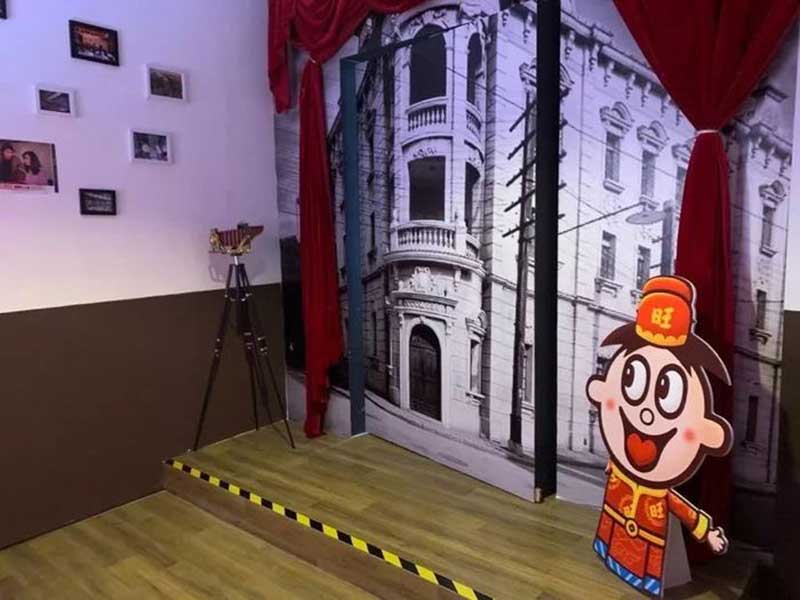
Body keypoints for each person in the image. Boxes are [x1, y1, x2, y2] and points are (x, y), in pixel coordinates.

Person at [586, 275, 733, 597]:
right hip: (611, 538)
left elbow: (682, 508)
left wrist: (707, 533)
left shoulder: (659, 490)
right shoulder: (619, 466)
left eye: (666, 391)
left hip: (645, 559)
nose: (646, 414)